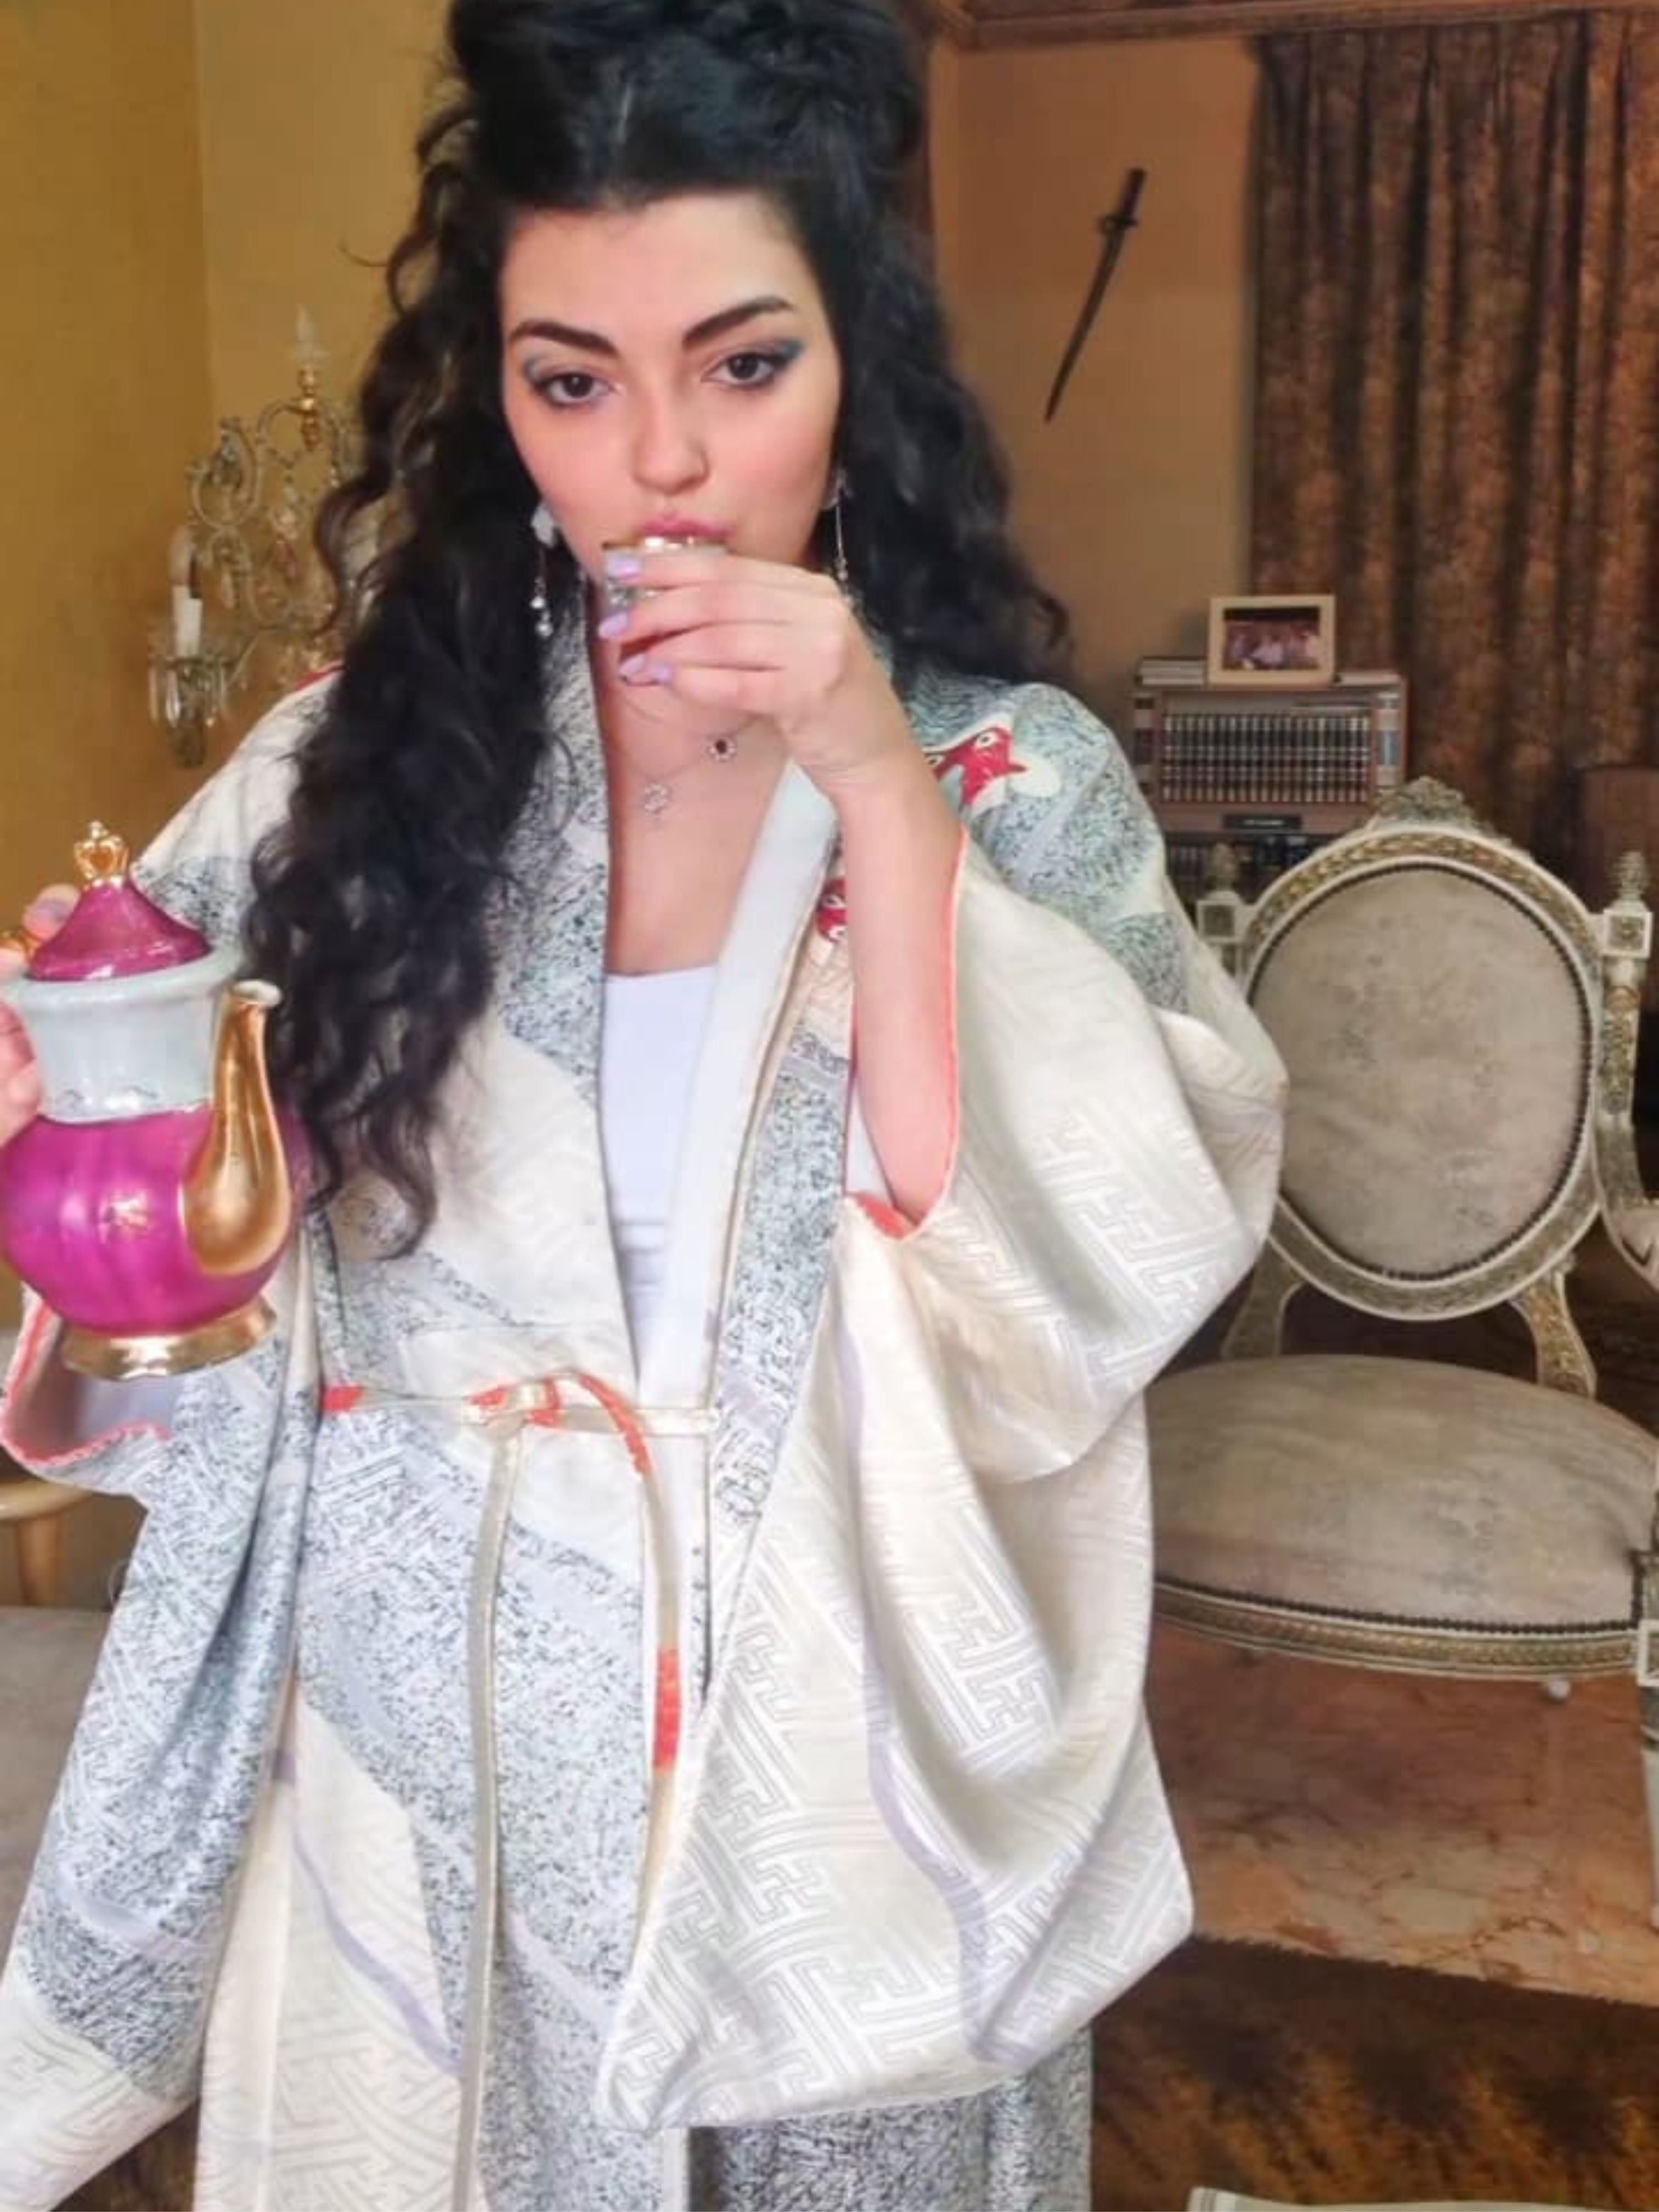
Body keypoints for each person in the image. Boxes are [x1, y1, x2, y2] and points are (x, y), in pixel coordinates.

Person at [0, 2, 1285, 2207]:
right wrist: (83, 1094)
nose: (663, 462)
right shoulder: (354, 776)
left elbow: (1050, 1283)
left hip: (818, 1777)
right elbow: (173, 1255)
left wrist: (878, 780)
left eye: (741, 363)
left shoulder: (999, 777)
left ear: (856, 353)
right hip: (425, 1770)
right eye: (572, 381)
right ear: (498, 396)